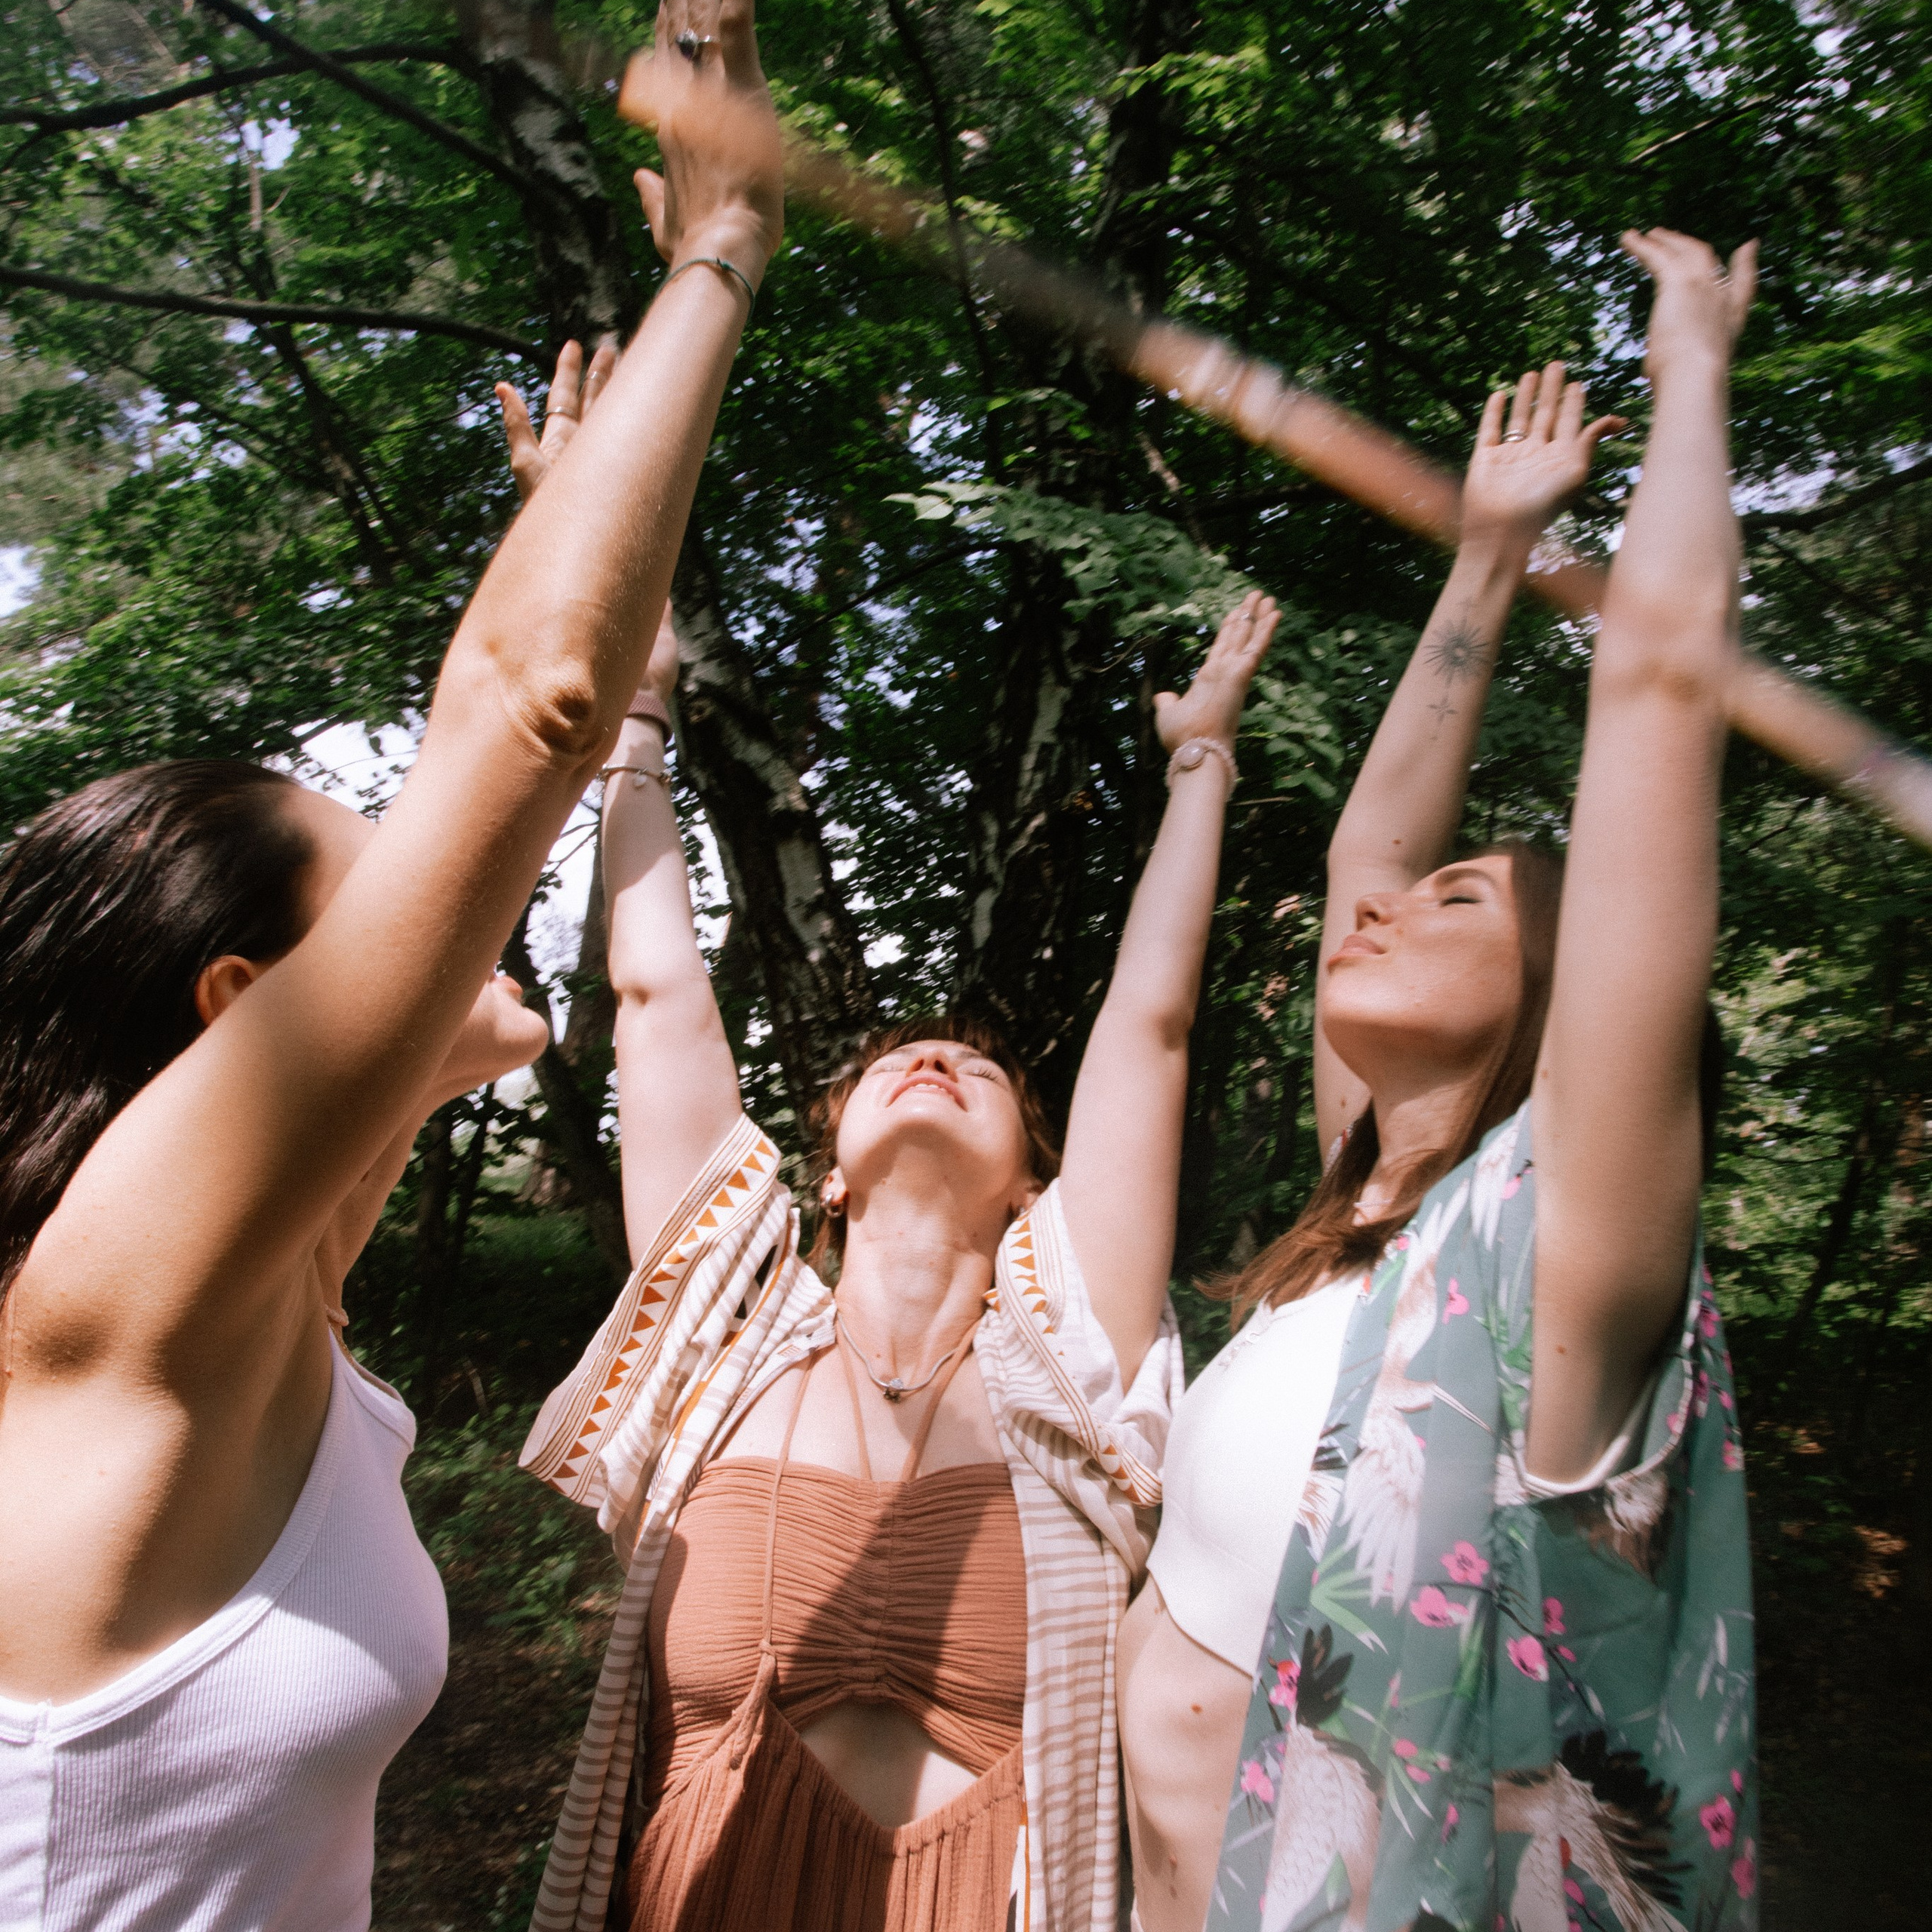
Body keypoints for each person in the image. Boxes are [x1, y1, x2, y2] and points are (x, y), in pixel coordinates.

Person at [0, 8, 785, 1926]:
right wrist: (721, 244)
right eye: (379, 896)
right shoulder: (118, 1311)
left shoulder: (281, 1308)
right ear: (238, 1017)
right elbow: (518, 712)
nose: (452, 904)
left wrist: (556, 528)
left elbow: (517, 705)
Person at [505, 375, 1281, 1928]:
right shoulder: (724, 1331)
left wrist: (1197, 766)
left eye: (981, 1070)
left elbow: (1150, 1028)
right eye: (890, 1068)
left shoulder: (1070, 1348)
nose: (935, 1059)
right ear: (831, 1171)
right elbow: (656, 992)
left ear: (1028, 1184)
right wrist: (632, 712)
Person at [1118, 229, 1761, 1932]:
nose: (1384, 902)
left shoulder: (1550, 1245)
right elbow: (1369, 843)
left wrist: (1688, 366)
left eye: (1459, 901)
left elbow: (1656, 696)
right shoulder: (1371, 1192)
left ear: (1564, 1006)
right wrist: (1483, 556)